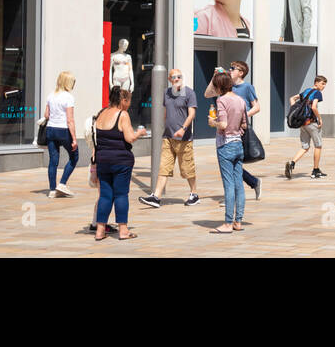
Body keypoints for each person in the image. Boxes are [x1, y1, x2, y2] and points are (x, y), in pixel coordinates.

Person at [93, 86, 147, 241]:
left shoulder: (101, 113)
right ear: (123, 100)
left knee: (105, 195)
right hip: (120, 161)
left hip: (103, 160)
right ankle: (123, 230)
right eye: (128, 101)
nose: (129, 104)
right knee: (121, 194)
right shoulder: (122, 115)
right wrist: (140, 133)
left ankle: (100, 231)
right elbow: (129, 138)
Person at [203, 61, 262, 200]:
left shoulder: (247, 87)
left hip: (238, 129)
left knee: (231, 162)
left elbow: (257, 107)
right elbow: (207, 94)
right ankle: (252, 182)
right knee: (234, 163)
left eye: (233, 68)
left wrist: (242, 115)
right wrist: (214, 77)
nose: (230, 70)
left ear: (241, 73)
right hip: (224, 129)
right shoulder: (225, 86)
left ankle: (232, 196)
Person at [140, 68, 198, 208]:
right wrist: (165, 127)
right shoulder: (166, 93)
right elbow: (166, 112)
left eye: (179, 76)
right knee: (164, 168)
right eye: (174, 77)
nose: (177, 79)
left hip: (184, 139)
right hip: (168, 137)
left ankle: (194, 194)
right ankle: (156, 197)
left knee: (187, 169)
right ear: (169, 79)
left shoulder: (189, 93)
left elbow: (191, 115)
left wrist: (183, 129)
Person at [206, 70, 247, 233]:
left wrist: (212, 122)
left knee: (228, 185)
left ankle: (228, 223)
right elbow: (244, 124)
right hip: (238, 144)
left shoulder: (222, 100)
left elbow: (222, 125)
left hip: (225, 145)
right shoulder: (240, 100)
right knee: (239, 185)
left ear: (219, 86)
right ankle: (238, 221)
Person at [43, 71, 78, 198]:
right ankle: (62, 183)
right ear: (68, 83)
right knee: (74, 156)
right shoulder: (68, 97)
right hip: (63, 130)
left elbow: (46, 115)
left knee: (53, 161)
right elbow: (70, 120)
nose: (74, 84)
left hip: (51, 129)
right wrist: (74, 138)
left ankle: (52, 190)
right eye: (73, 82)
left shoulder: (51, 95)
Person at [284, 76, 327, 178]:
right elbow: (313, 107)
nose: (323, 86)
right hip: (311, 123)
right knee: (318, 145)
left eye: (325, 84)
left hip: (303, 123)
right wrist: (320, 119)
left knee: (305, 147)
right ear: (316, 83)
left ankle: (292, 163)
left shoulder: (306, 91)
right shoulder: (317, 92)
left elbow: (292, 98)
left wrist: (295, 109)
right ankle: (315, 170)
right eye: (322, 83)